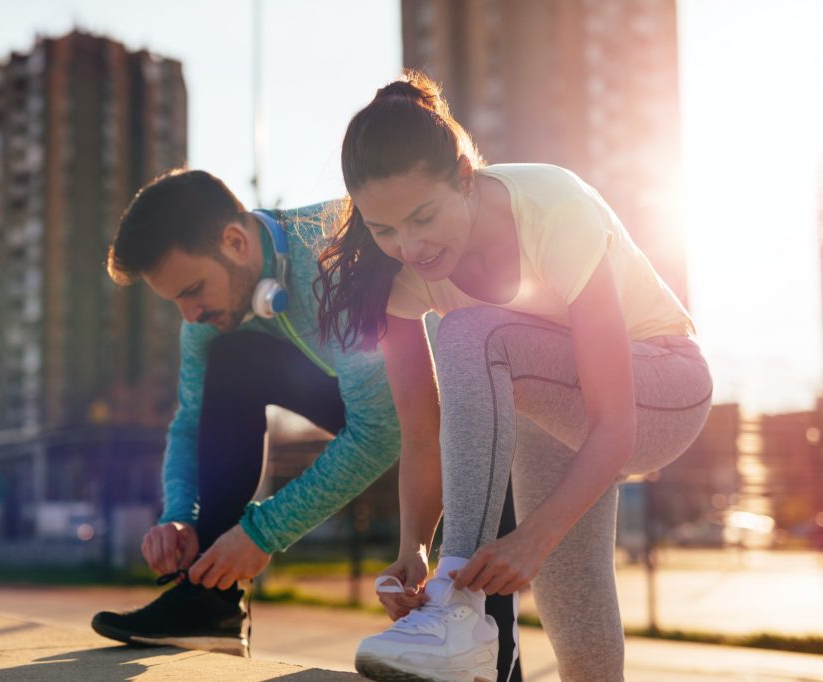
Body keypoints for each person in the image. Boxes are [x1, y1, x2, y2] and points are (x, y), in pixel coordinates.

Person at [315, 72, 712, 682]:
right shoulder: (393, 278)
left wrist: (530, 539)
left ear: (466, 179)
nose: (410, 247)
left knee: (472, 331)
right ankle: (457, 599)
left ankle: (459, 613)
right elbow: (423, 435)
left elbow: (614, 426)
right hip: (548, 407)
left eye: (422, 217)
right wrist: (412, 548)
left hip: (662, 387)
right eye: (383, 228)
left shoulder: (554, 207)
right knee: (573, 608)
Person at [90, 169, 524, 681]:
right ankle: (208, 601)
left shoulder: (331, 258)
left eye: (193, 290)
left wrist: (263, 533)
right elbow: (189, 421)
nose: (189, 314)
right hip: (368, 407)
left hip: (462, 422)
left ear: (234, 241)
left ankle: (496, 659)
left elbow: (382, 431)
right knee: (230, 361)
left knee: (484, 655)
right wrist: (181, 514)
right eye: (176, 302)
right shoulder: (208, 318)